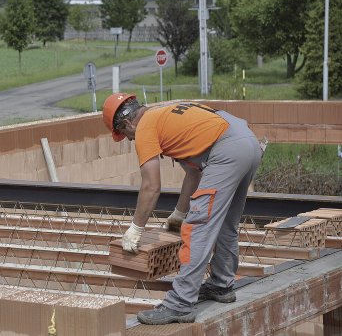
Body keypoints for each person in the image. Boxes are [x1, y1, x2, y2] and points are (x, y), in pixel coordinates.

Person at [102, 93, 263, 325]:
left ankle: (179, 304)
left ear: (127, 124)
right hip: (246, 141)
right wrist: (178, 213)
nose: (129, 140)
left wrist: (136, 228)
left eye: (126, 136)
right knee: (226, 223)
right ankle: (221, 284)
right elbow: (194, 172)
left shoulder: (144, 128)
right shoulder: (164, 114)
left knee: (197, 227)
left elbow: (151, 186)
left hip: (226, 151)